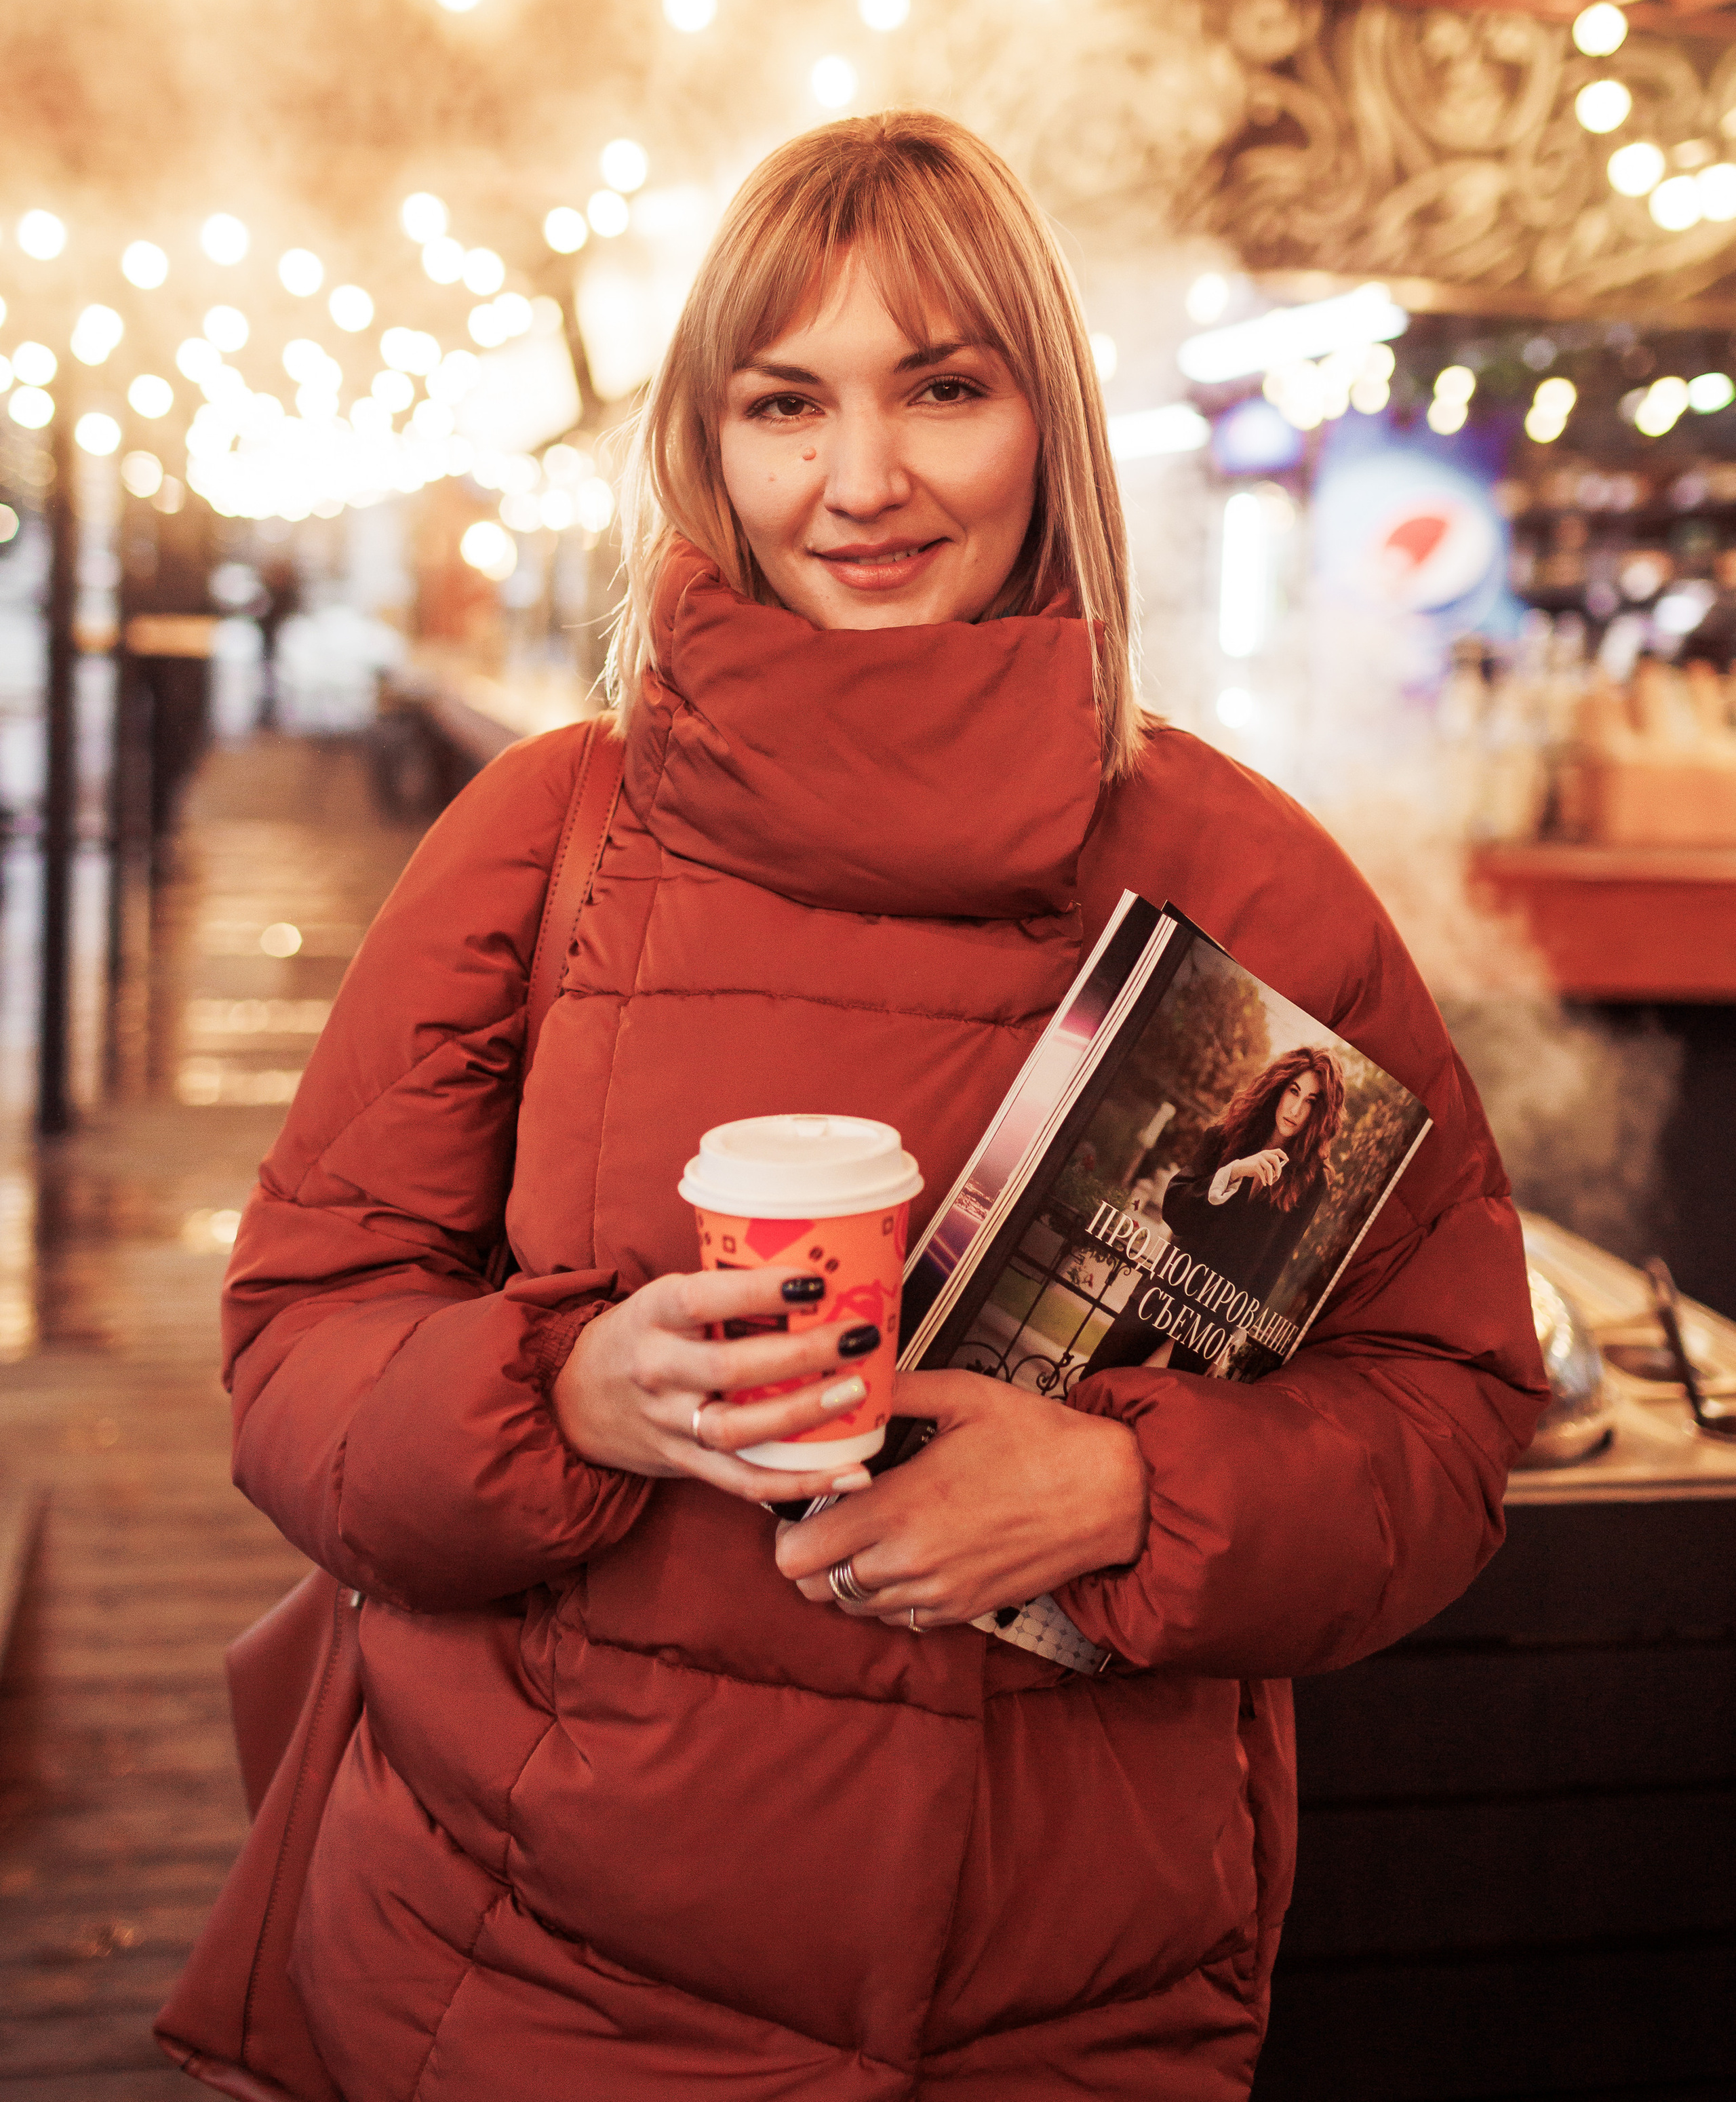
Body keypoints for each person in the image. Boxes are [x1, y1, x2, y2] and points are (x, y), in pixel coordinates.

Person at [217, 111, 1544, 2101]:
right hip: (536, 1983)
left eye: (941, 386)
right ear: (708, 445)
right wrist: (561, 1394)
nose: (860, 479)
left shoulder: (1248, 879)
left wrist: (1127, 1491)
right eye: (785, 401)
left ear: (1046, 425)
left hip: (1069, 2017)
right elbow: (291, 1356)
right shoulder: (543, 841)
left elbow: (1448, 1403)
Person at [1157, 1046, 1346, 1305]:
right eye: (1294, 1091)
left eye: (1311, 1102)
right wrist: (1233, 1172)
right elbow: (1174, 1212)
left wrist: (1241, 1326)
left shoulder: (1311, 1182)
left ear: (1321, 1113)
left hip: (1215, 1321)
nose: (1295, 1110)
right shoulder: (1223, 1138)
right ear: (1278, 1088)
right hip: (1162, 1296)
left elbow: (1273, 1263)